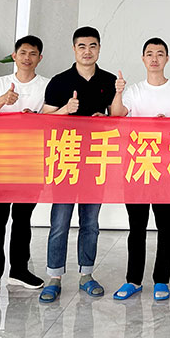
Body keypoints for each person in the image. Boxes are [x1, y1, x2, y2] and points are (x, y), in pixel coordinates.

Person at [38, 26, 116, 303]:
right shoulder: (59, 81)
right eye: (82, 46)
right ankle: (54, 277)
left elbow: (117, 118)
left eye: (92, 46)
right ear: (74, 49)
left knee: (90, 222)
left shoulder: (108, 80)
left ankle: (86, 274)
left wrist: (107, 117)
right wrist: (65, 110)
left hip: (96, 159)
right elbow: (43, 121)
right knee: (60, 221)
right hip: (66, 158)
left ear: (99, 48)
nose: (87, 51)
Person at [110, 37, 170, 302]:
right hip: (136, 166)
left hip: (166, 168)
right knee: (137, 227)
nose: (154, 58)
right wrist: (118, 92)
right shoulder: (134, 91)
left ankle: (161, 280)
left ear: (167, 59)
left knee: (165, 227)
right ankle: (133, 280)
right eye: (150, 54)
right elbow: (117, 115)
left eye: (160, 53)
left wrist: (169, 126)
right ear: (143, 59)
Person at [0, 35, 49, 302]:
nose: (27, 58)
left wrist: (35, 118)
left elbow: (53, 118)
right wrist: (3, 101)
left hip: (30, 160)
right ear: (14, 56)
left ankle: (19, 270)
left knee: (22, 219)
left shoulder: (46, 85)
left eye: (33, 53)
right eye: (23, 53)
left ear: (40, 58)